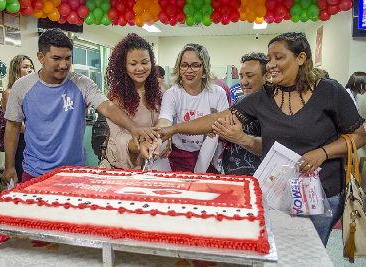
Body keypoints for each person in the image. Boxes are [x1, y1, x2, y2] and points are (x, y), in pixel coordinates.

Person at [149, 32, 366, 246]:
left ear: (301, 58)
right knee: (277, 251)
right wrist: (173, 129)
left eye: (279, 57)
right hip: (277, 193)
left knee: (310, 254)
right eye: (269, 58)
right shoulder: (265, 96)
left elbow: (360, 135)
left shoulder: (329, 91)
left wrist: (323, 153)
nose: (271, 64)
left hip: (321, 193)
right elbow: (219, 119)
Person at [4, 29, 157, 184]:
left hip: (75, 172)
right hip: (35, 172)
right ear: (41, 57)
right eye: (56, 58)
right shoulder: (22, 87)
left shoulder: (81, 83)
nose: (63, 65)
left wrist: (133, 128)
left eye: (68, 58)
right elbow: (12, 126)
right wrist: (9, 166)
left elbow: (107, 106)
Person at [156, 43, 229, 173]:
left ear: (204, 68)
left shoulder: (218, 93)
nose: (189, 70)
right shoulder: (172, 93)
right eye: (184, 65)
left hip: (207, 157)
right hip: (177, 157)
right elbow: (165, 119)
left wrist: (174, 129)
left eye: (195, 65)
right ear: (178, 68)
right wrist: (163, 132)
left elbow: (223, 127)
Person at [100, 33, 162, 169]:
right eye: (133, 64)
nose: (140, 68)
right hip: (118, 168)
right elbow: (119, 138)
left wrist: (160, 142)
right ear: (124, 66)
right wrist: (141, 145)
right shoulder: (116, 96)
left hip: (147, 165)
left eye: (145, 62)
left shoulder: (158, 93)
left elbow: (162, 125)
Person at [217, 52, 267, 175]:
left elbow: (271, 146)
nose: (243, 82)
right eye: (241, 76)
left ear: (266, 76)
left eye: (249, 76)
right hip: (232, 176)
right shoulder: (240, 101)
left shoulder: (273, 107)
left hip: (260, 181)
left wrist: (241, 138)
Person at [0, 55, 35, 182]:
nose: (30, 70)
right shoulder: (9, 93)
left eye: (31, 67)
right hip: (21, 142)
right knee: (23, 180)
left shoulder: (35, 92)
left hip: (34, 143)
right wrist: (38, 132)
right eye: (25, 67)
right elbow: (16, 125)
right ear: (16, 70)